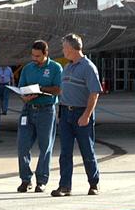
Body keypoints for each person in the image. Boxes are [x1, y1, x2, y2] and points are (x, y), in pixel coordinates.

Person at [53, 33, 101, 197]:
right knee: (65, 152)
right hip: (66, 113)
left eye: (65, 48)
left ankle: (94, 183)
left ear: (72, 48)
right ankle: (65, 186)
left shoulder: (88, 67)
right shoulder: (67, 67)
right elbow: (63, 90)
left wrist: (87, 115)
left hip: (81, 113)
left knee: (87, 150)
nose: (63, 51)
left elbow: (94, 93)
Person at [16, 39, 63, 193]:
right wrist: (24, 97)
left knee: (45, 146)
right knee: (22, 145)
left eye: (37, 56)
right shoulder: (28, 68)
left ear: (45, 54)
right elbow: (21, 87)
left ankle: (41, 180)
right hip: (28, 109)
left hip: (46, 110)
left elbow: (58, 89)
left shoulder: (56, 68)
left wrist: (42, 89)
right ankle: (25, 179)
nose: (34, 59)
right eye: (33, 55)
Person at [0, 61, 15, 127]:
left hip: (6, 84)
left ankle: (4, 110)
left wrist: (13, 85)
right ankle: (0, 110)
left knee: (6, 98)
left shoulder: (9, 69)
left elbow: (12, 77)